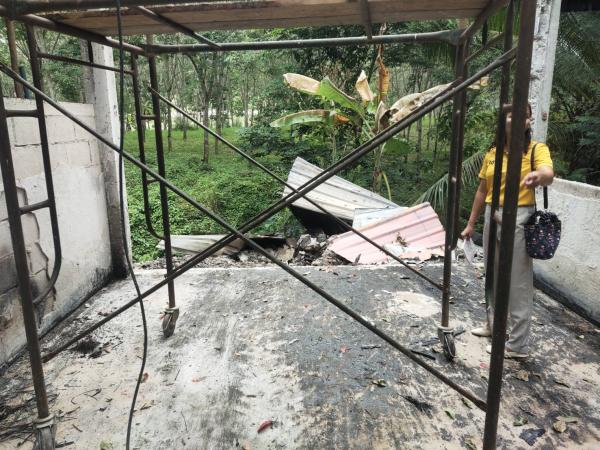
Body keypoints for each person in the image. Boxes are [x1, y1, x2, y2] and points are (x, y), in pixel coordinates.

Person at [461, 105, 554, 359]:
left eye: (524, 114)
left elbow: (548, 173)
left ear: (529, 121)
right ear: (504, 120)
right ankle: (493, 326)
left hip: (520, 215)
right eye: (512, 114)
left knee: (517, 281)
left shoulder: (535, 149)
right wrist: (471, 223)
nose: (518, 118)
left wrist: (538, 176)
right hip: (492, 213)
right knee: (492, 274)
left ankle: (517, 344)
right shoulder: (492, 153)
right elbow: (482, 190)